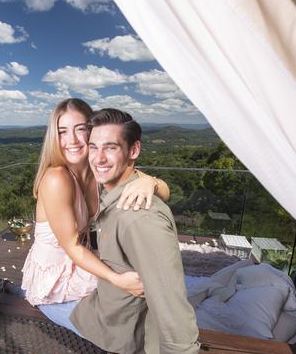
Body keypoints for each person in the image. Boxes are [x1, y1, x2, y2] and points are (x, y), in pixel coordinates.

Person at [20, 99, 170, 329]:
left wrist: (149, 183)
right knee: (136, 304)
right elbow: (72, 246)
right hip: (56, 281)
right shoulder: (56, 179)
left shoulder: (97, 170)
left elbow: (166, 193)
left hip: (82, 262)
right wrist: (117, 280)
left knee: (149, 288)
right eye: (62, 132)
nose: (71, 140)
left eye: (80, 129)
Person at [67, 108, 199, 353]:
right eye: (93, 147)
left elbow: (172, 308)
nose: (98, 158)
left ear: (134, 150)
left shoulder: (140, 219)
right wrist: (152, 181)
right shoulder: (111, 191)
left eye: (111, 147)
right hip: (104, 312)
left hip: (121, 335)